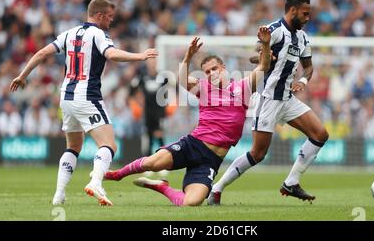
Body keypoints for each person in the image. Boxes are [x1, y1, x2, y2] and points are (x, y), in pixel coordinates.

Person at [9, 0, 158, 206]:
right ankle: (96, 182)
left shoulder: (69, 33)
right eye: (109, 17)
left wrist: (22, 75)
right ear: (99, 15)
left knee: (73, 146)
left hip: (66, 97)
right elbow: (112, 54)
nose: (111, 21)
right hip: (87, 96)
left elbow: (42, 52)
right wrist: (140, 56)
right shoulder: (98, 34)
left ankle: (59, 194)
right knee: (109, 144)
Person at [101, 26, 272, 206]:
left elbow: (264, 65)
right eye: (207, 71)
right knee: (152, 163)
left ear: (223, 68)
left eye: (215, 69)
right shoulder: (203, 88)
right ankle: (117, 174)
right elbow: (182, 80)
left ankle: (162, 186)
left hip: (211, 160)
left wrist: (266, 44)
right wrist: (188, 57)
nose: (212, 73)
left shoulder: (242, 88)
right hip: (193, 145)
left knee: (192, 202)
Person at [208, 0, 329, 205]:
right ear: (293, 11)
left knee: (320, 134)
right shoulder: (273, 30)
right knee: (258, 153)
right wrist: (266, 52)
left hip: (287, 99)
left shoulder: (302, 38)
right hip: (268, 99)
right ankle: (217, 188)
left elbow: (308, 67)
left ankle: (291, 182)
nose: (308, 17)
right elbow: (253, 57)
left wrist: (302, 80)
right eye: (305, 13)